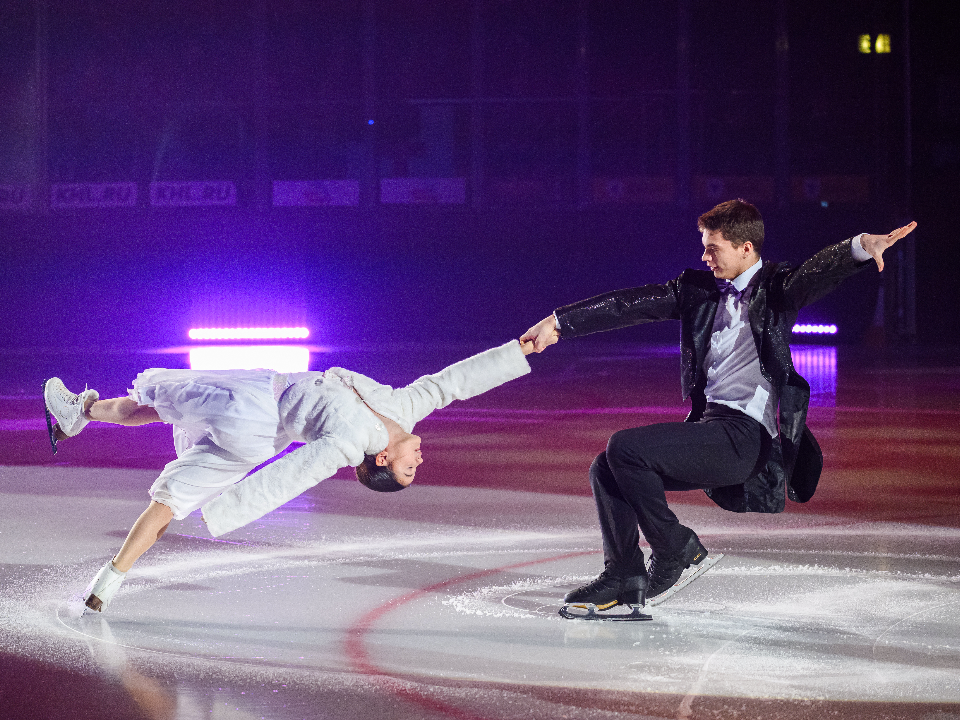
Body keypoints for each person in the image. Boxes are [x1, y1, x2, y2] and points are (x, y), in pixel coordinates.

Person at [521, 199, 917, 612]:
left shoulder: (778, 288)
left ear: (746, 248)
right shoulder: (697, 291)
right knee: (606, 468)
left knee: (624, 447)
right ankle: (625, 574)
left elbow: (816, 272)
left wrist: (858, 245)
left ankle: (676, 548)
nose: (704, 256)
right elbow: (631, 304)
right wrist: (558, 323)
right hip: (712, 428)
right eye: (704, 247)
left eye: (714, 248)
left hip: (745, 438)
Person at [43, 339, 535, 612]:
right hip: (256, 436)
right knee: (167, 471)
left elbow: (293, 475)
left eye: (408, 472)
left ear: (383, 460)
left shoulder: (349, 444)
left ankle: (81, 411)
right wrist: (523, 348)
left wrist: (230, 507)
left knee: (162, 401)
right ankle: (106, 583)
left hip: (258, 404)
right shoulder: (405, 407)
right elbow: (453, 383)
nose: (419, 464)